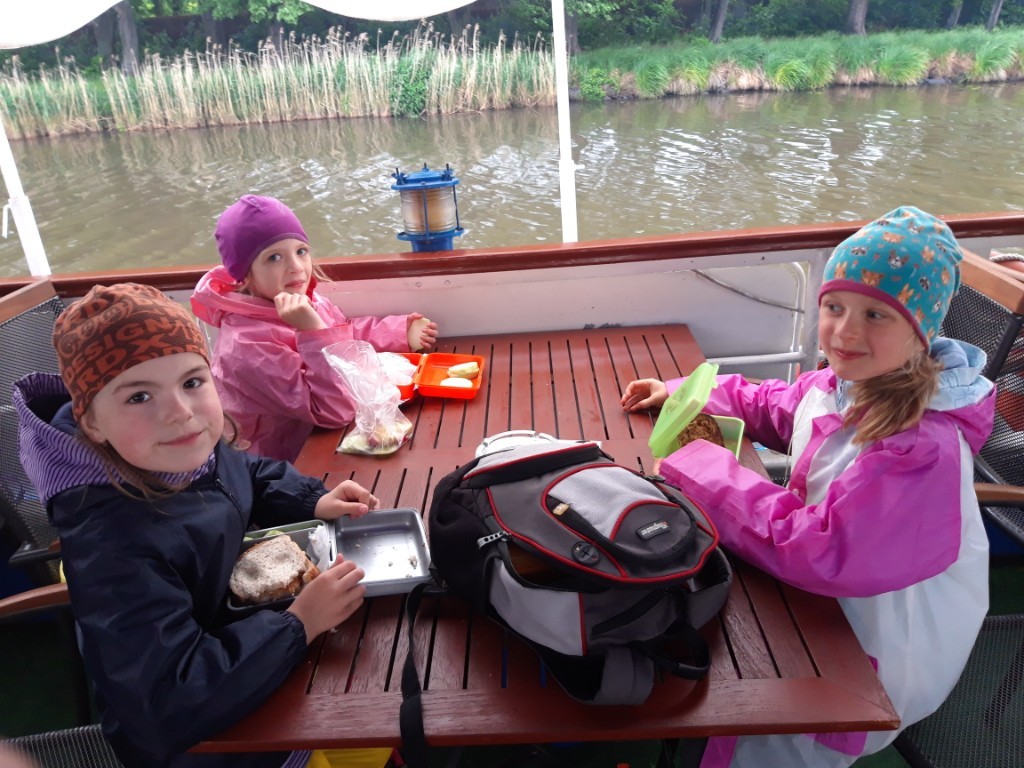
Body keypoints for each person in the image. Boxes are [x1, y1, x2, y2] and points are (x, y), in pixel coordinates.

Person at [620, 206, 995, 768]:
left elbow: (823, 548)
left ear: (921, 332)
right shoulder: (847, 382)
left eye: (876, 315)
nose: (845, 332)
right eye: (834, 307)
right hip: (824, 596)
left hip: (872, 654)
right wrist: (685, 394)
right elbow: (779, 404)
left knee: (767, 736)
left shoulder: (919, 449)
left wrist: (698, 468)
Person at [14, 283, 392, 768]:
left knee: (382, 724)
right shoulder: (113, 546)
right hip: (209, 740)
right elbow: (166, 702)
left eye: (192, 382)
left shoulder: (182, 452)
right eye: (140, 396)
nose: (180, 412)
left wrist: (312, 499)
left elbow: (245, 473)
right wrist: (299, 625)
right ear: (92, 425)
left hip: (246, 643)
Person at [191, 195, 439, 462]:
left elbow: (343, 333)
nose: (296, 267)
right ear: (244, 275)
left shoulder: (300, 301)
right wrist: (312, 331)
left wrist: (398, 331)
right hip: (280, 464)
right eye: (274, 257)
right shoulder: (246, 347)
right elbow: (333, 411)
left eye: (301, 251)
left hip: (318, 439)